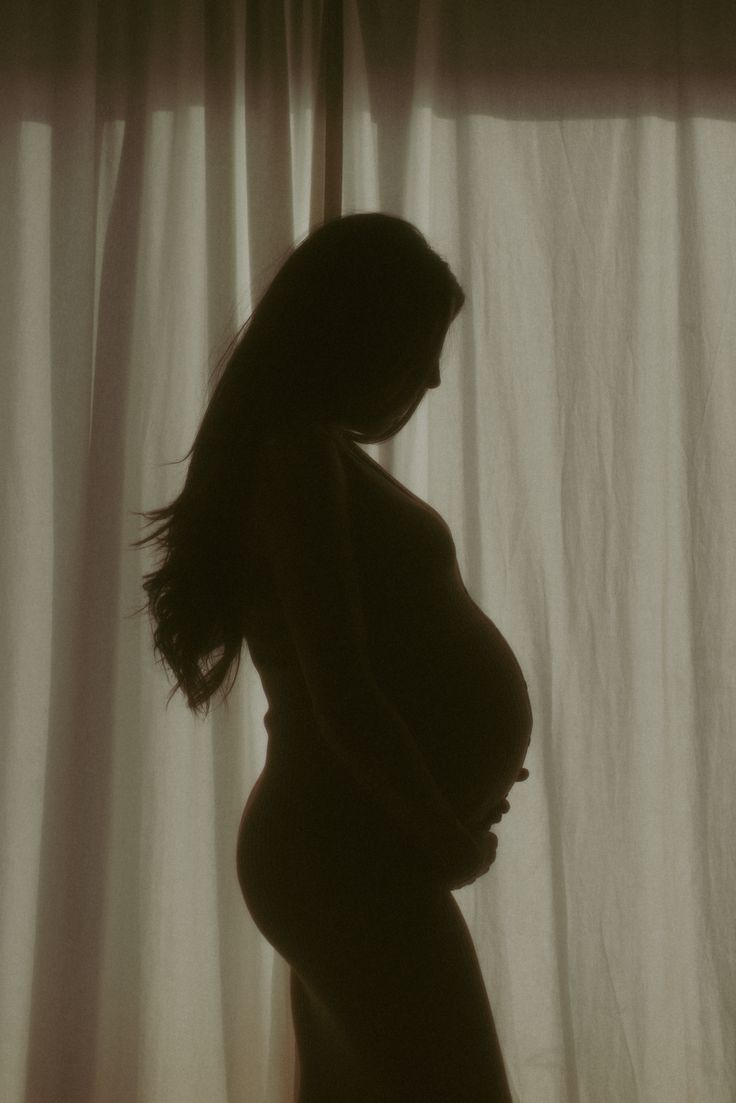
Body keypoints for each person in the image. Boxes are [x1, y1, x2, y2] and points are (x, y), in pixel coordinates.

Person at [133, 212, 532, 1102]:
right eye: (418, 348)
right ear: (358, 335)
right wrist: (443, 829)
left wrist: (457, 768)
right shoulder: (299, 462)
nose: (431, 375)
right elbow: (340, 693)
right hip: (346, 856)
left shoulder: (313, 455)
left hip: (342, 850)